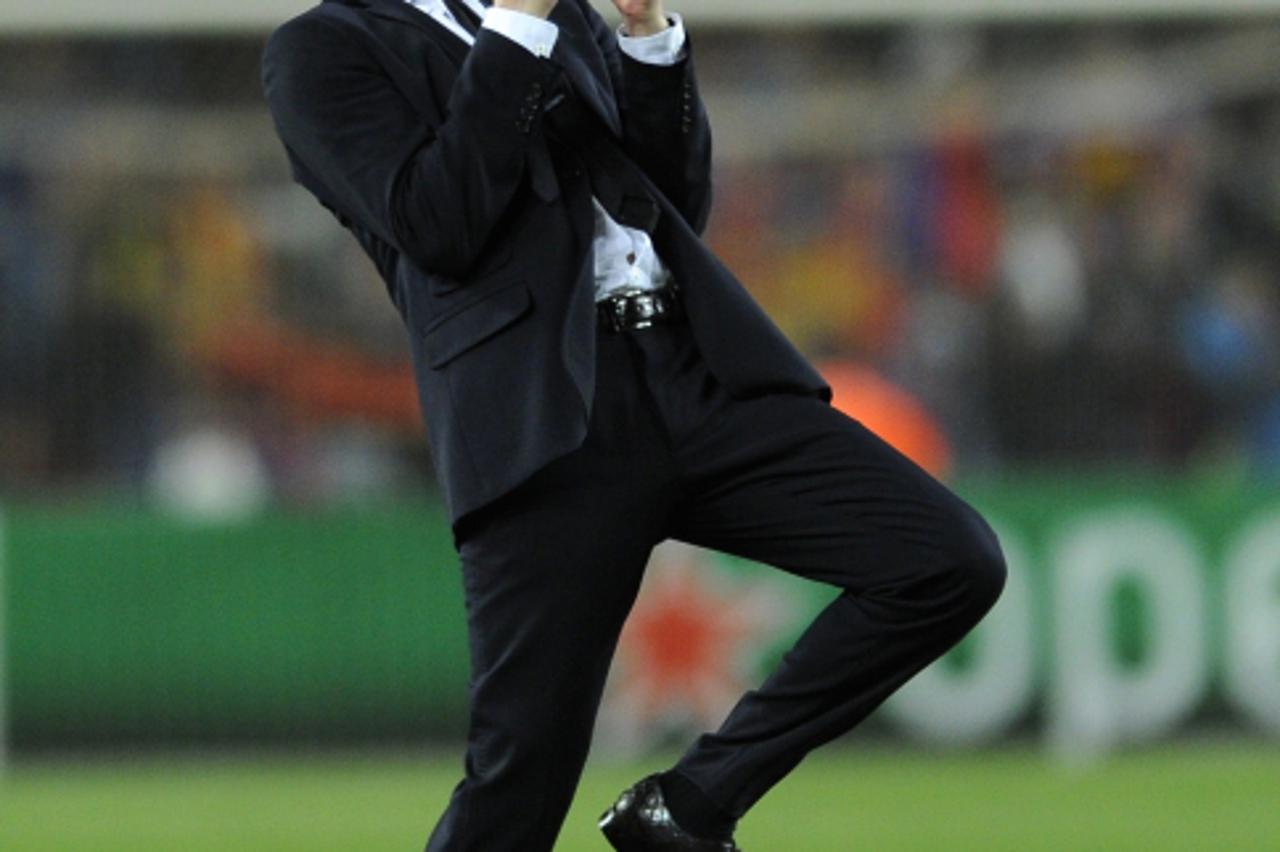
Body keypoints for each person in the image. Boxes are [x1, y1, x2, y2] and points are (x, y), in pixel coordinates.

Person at [261, 1, 1006, 849]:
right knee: (520, 783)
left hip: (692, 370)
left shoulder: (564, 16)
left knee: (947, 559)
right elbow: (441, 223)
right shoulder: (322, 49)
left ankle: (688, 808)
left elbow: (673, 200)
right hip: (545, 421)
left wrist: (649, 37)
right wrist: (516, 28)